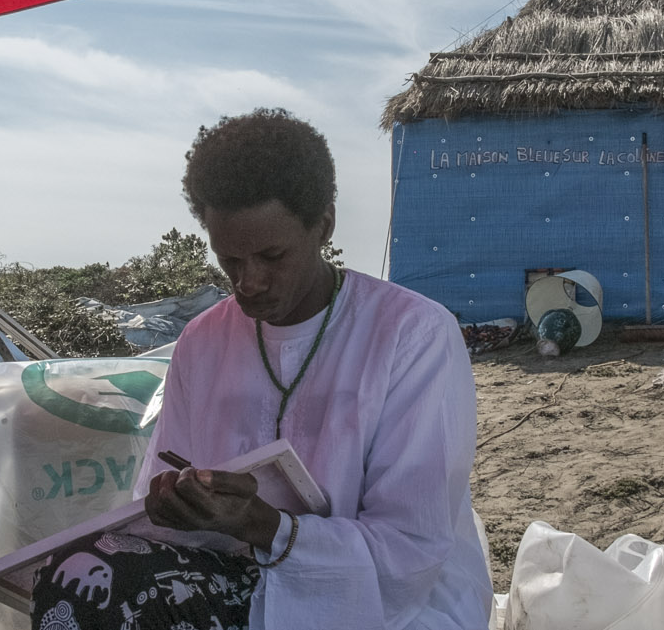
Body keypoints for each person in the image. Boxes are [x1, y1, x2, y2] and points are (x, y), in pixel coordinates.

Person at [29, 109, 491, 630]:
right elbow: (158, 491)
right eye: (230, 261)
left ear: (324, 225)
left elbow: (411, 551)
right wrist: (173, 503)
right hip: (232, 572)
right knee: (75, 572)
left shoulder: (413, 334)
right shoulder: (202, 340)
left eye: (272, 255)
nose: (249, 283)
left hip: (385, 599)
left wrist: (262, 525)